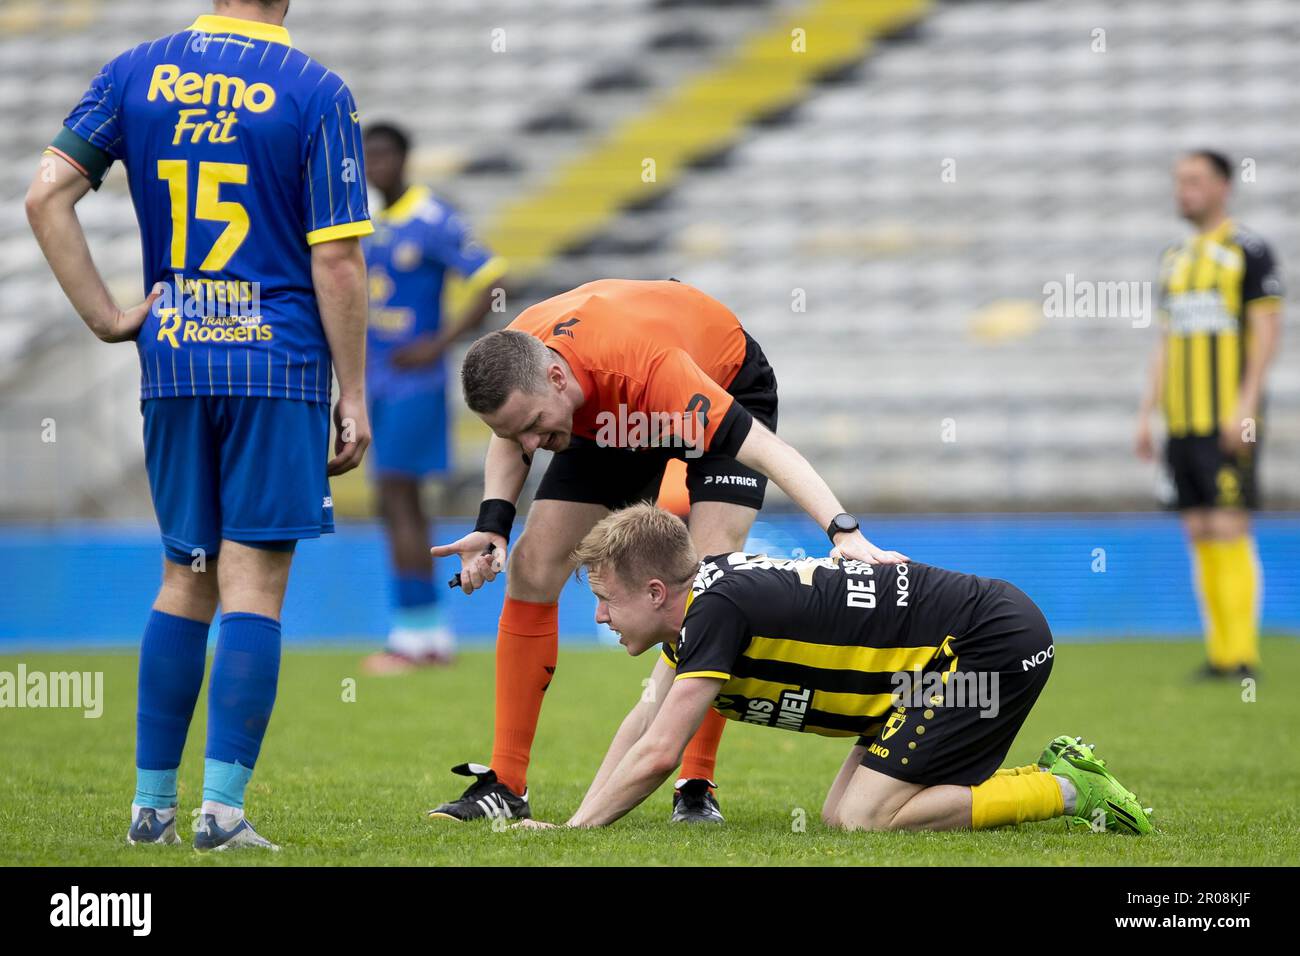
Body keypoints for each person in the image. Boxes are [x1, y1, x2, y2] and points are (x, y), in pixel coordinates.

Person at [25, 0, 372, 850]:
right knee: (253, 586)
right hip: (275, 360)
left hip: (175, 358)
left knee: (186, 577)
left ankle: (150, 811)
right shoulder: (317, 91)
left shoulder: (134, 70)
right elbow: (336, 258)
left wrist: (109, 316)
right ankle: (220, 812)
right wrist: (354, 395)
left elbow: (44, 198)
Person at [427, 278, 906, 824]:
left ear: (557, 378)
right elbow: (513, 431)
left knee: (710, 582)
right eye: (520, 434)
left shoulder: (653, 372)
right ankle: (506, 785)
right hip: (604, 412)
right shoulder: (522, 361)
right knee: (533, 569)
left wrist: (844, 533)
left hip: (716, 378)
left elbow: (771, 453)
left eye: (535, 427)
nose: (531, 446)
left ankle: (695, 783)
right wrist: (493, 525)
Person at [518, 504, 1154, 835]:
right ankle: (1057, 782)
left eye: (605, 597)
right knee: (839, 819)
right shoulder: (701, 606)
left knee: (865, 819)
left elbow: (661, 753)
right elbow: (647, 718)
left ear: (657, 592)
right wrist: (577, 823)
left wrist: (575, 833)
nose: (600, 615)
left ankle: (1066, 788)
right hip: (935, 663)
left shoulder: (713, 610)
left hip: (989, 643)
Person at [359, 122, 508, 673]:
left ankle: (416, 636)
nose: (374, 165)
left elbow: (496, 279)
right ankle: (423, 633)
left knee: (400, 497)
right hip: (373, 378)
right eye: (367, 155)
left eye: (383, 155)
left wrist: (439, 344)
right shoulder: (368, 221)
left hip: (414, 383)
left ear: (404, 158)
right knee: (393, 500)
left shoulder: (432, 218)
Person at [1136, 150, 1284, 679]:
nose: (1184, 190)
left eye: (1195, 180)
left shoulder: (1247, 249)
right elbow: (1165, 341)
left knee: (1229, 524)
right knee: (1198, 527)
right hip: (1181, 420)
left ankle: (1241, 654)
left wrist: (1245, 405)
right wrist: (1146, 413)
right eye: (1179, 181)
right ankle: (1220, 653)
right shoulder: (1174, 257)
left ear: (1223, 186)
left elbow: (1267, 331)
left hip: (1227, 413)